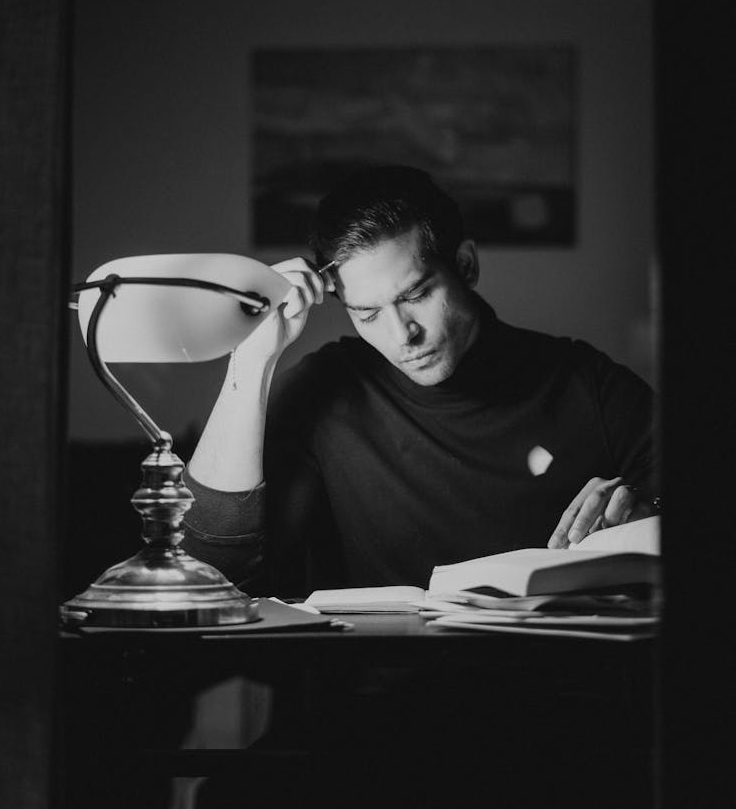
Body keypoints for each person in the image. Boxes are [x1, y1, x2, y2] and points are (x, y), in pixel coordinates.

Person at [182, 165, 656, 596]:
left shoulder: (585, 382)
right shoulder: (325, 391)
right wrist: (251, 361)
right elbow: (207, 569)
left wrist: (646, 514)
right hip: (372, 683)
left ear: (466, 265)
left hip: (560, 680)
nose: (402, 335)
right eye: (367, 314)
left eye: (418, 294)